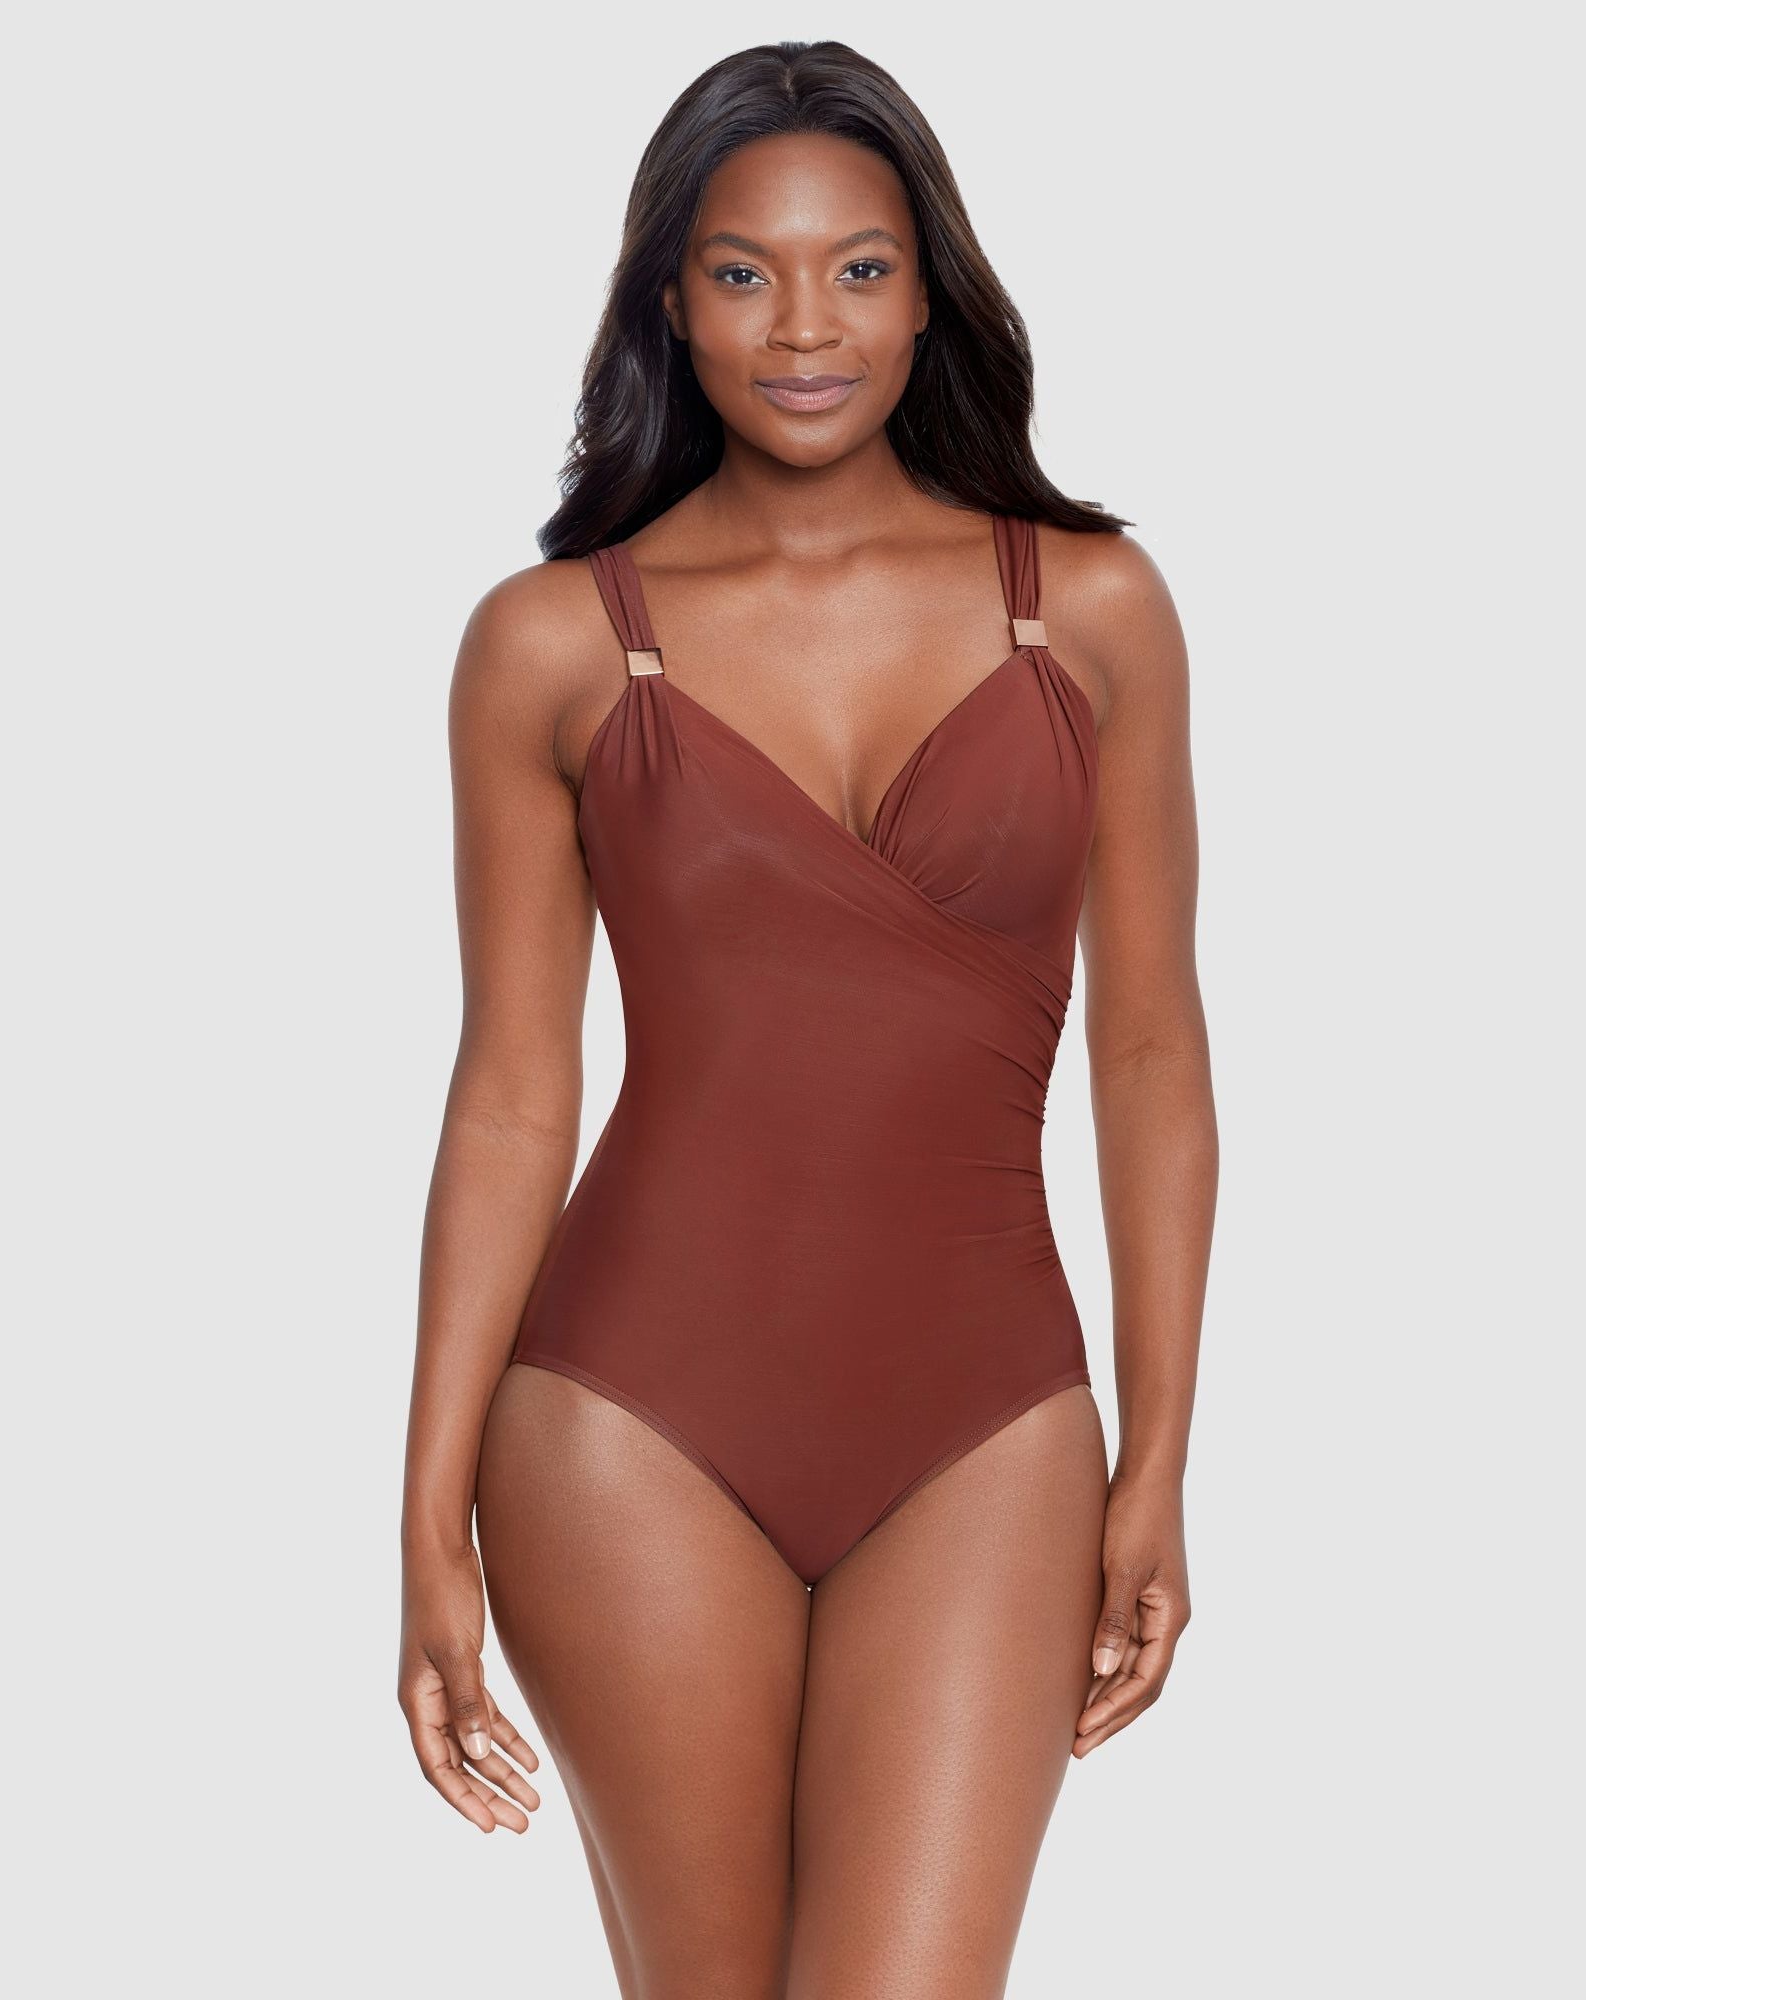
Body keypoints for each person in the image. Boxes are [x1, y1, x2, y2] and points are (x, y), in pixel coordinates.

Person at [399, 38, 1216, 1998]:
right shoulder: (552, 644)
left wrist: (1161, 1452)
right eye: (741, 272)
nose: (802, 325)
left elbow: (1150, 1054)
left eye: (857, 267)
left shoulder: (1091, 608)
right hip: (628, 1419)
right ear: (670, 305)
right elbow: (512, 1094)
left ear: (930, 292)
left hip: (986, 1424)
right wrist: (424, 1512)